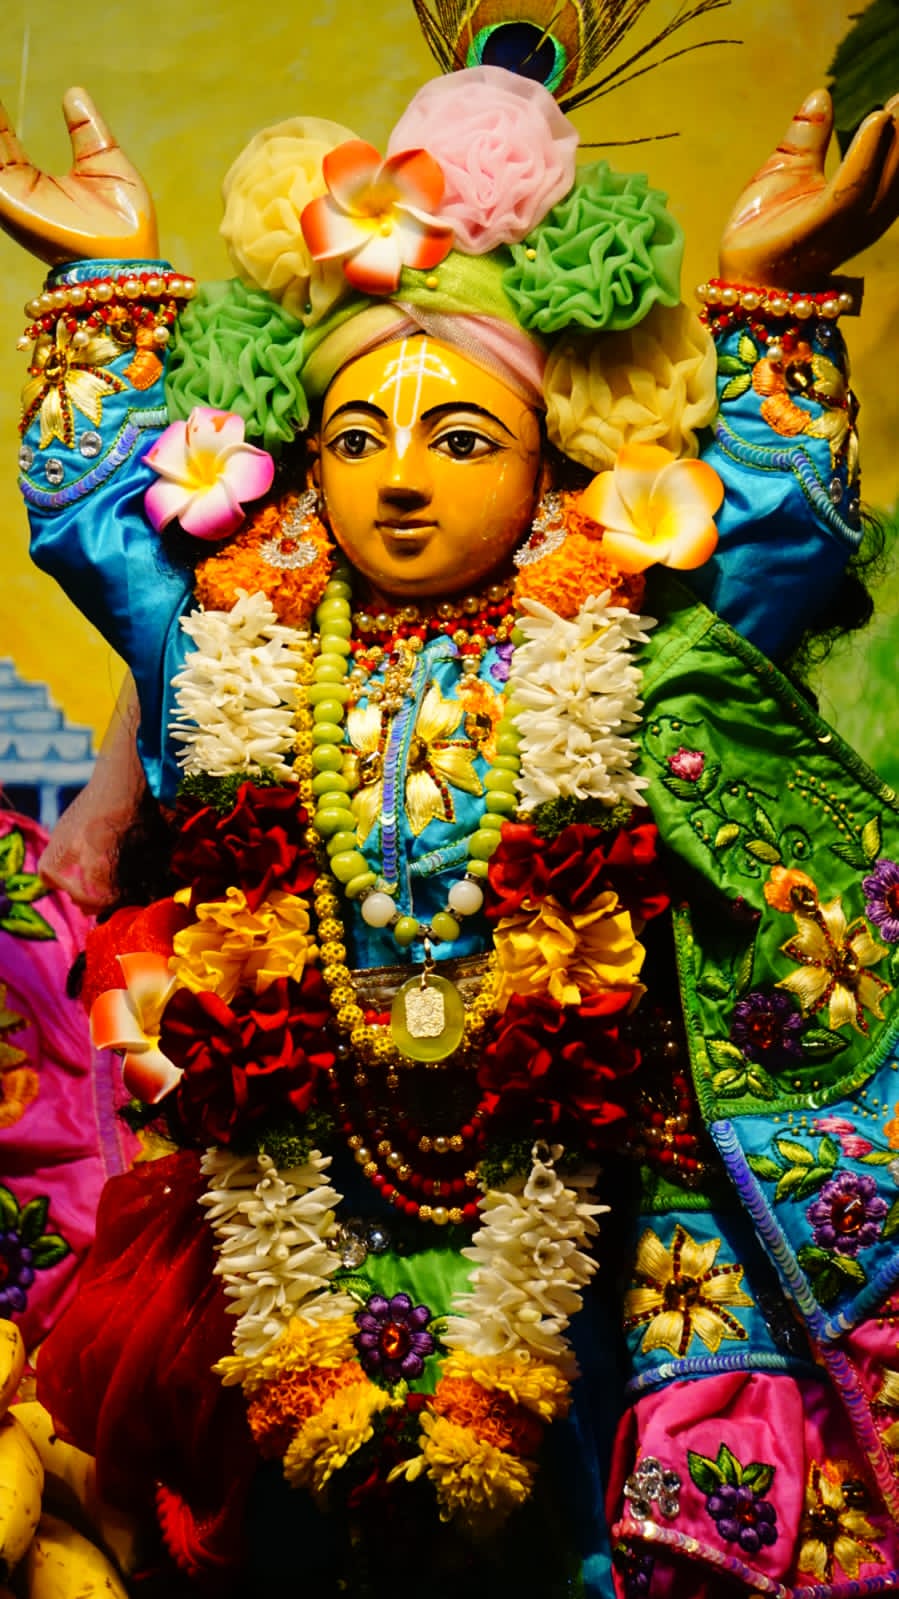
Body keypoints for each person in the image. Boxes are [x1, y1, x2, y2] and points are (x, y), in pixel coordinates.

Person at [1, 30, 899, 1598]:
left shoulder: (630, 632)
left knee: (565, 1543)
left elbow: (778, 528)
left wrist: (774, 287)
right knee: (298, 1547)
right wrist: (100, 278)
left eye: (461, 436)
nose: (401, 477)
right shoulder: (229, 636)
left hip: (568, 1214)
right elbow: (94, 518)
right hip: (298, 1202)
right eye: (358, 438)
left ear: (549, 460)